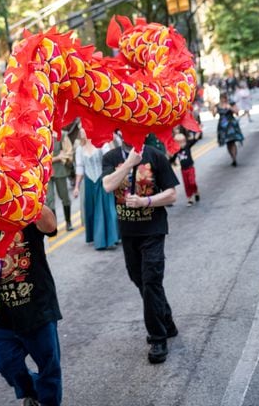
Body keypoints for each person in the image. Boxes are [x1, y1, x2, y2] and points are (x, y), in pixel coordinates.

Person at [102, 143, 179, 364]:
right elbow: (108, 185)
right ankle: (166, 320)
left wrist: (146, 201)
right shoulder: (111, 157)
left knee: (151, 281)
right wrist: (129, 163)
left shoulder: (155, 156)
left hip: (153, 230)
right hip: (128, 232)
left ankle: (158, 339)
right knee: (138, 279)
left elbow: (172, 194)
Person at [0, 205, 62, 406]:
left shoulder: (23, 204)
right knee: (0, 359)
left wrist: (28, 198)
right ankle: (31, 389)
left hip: (37, 306)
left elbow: (50, 225)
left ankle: (48, 402)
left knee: (49, 366)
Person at [72, 129, 120, 250]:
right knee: (92, 209)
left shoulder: (101, 143)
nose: (82, 131)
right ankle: (97, 237)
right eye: (80, 129)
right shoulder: (79, 149)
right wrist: (77, 186)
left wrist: (111, 178)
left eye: (84, 128)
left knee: (106, 209)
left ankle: (109, 239)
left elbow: (110, 160)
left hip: (103, 179)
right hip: (89, 181)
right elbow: (80, 168)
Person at [47, 132, 75, 231]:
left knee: (65, 197)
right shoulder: (40, 134)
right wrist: (57, 157)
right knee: (49, 200)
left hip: (60, 170)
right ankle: (53, 227)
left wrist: (56, 158)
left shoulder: (61, 134)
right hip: (47, 172)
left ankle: (68, 222)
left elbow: (68, 152)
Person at [213, 92, 244, 167]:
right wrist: (213, 108)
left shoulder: (231, 103)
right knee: (228, 143)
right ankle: (232, 157)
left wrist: (230, 107)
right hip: (223, 127)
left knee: (232, 142)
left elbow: (237, 112)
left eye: (225, 98)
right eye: (222, 98)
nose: (224, 100)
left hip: (231, 125)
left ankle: (234, 158)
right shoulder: (218, 105)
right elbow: (213, 115)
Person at [170, 132, 201, 206]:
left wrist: (198, 133)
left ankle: (196, 191)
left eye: (182, 142)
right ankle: (189, 198)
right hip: (183, 170)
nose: (181, 144)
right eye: (179, 142)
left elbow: (194, 140)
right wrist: (169, 158)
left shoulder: (187, 146)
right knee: (187, 184)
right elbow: (172, 159)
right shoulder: (177, 150)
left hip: (190, 168)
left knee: (192, 182)